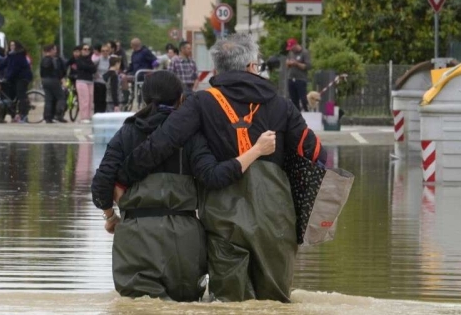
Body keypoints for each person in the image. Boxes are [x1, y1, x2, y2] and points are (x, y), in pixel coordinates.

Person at [116, 34, 325, 303]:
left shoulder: (201, 103)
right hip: (276, 219)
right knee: (275, 303)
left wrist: (122, 177)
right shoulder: (281, 105)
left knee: (229, 304)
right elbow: (316, 153)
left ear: (217, 69)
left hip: (224, 219)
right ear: (251, 66)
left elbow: (160, 144)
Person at [92, 70, 277, 302]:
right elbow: (214, 177)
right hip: (184, 241)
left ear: (144, 97)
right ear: (181, 99)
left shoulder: (125, 134)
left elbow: (101, 186)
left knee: (139, 306)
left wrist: (111, 216)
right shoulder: (191, 137)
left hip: (135, 236)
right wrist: (257, 150)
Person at [0, 41, 32, 123]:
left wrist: (7, 77)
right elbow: (4, 64)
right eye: (10, 45)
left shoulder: (19, 55)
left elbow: (15, 69)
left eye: (13, 45)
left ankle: (23, 116)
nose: (11, 46)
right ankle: (7, 116)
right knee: (8, 96)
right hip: (14, 78)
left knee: (21, 96)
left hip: (22, 78)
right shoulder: (10, 55)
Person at [41, 44, 67, 123]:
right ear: (51, 50)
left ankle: (47, 117)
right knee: (61, 97)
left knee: (48, 99)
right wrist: (61, 79)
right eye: (54, 50)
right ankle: (58, 114)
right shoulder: (53, 60)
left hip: (45, 80)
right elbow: (57, 71)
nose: (55, 51)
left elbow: (41, 72)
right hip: (53, 80)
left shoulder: (43, 60)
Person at [286, 38, 312, 112]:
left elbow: (308, 66)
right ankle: (296, 115)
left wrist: (296, 64)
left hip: (300, 79)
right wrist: (289, 63)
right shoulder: (290, 53)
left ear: (296, 45)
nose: (291, 50)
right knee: (293, 100)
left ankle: (307, 112)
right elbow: (287, 63)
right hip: (291, 78)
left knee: (303, 99)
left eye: (292, 48)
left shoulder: (304, 53)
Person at [75, 44, 96, 123]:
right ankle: (83, 117)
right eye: (84, 49)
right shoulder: (79, 59)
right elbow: (82, 66)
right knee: (84, 99)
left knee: (90, 99)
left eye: (88, 49)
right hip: (81, 81)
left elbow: (94, 69)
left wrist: (88, 67)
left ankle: (88, 116)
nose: (86, 51)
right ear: (81, 50)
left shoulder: (90, 60)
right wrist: (89, 67)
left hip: (90, 81)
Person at [93, 44, 111, 113]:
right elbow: (92, 68)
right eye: (103, 51)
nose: (105, 52)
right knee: (98, 100)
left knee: (105, 101)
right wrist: (94, 74)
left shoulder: (111, 60)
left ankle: (103, 114)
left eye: (106, 51)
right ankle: (97, 113)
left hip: (107, 83)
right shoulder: (97, 60)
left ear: (109, 51)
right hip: (98, 82)